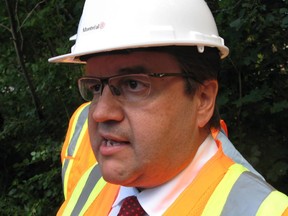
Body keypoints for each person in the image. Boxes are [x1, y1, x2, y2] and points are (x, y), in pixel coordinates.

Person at [49, 0, 288, 215]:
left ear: (203, 99)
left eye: (133, 84)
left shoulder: (263, 210)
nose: (100, 112)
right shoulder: (90, 183)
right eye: (94, 88)